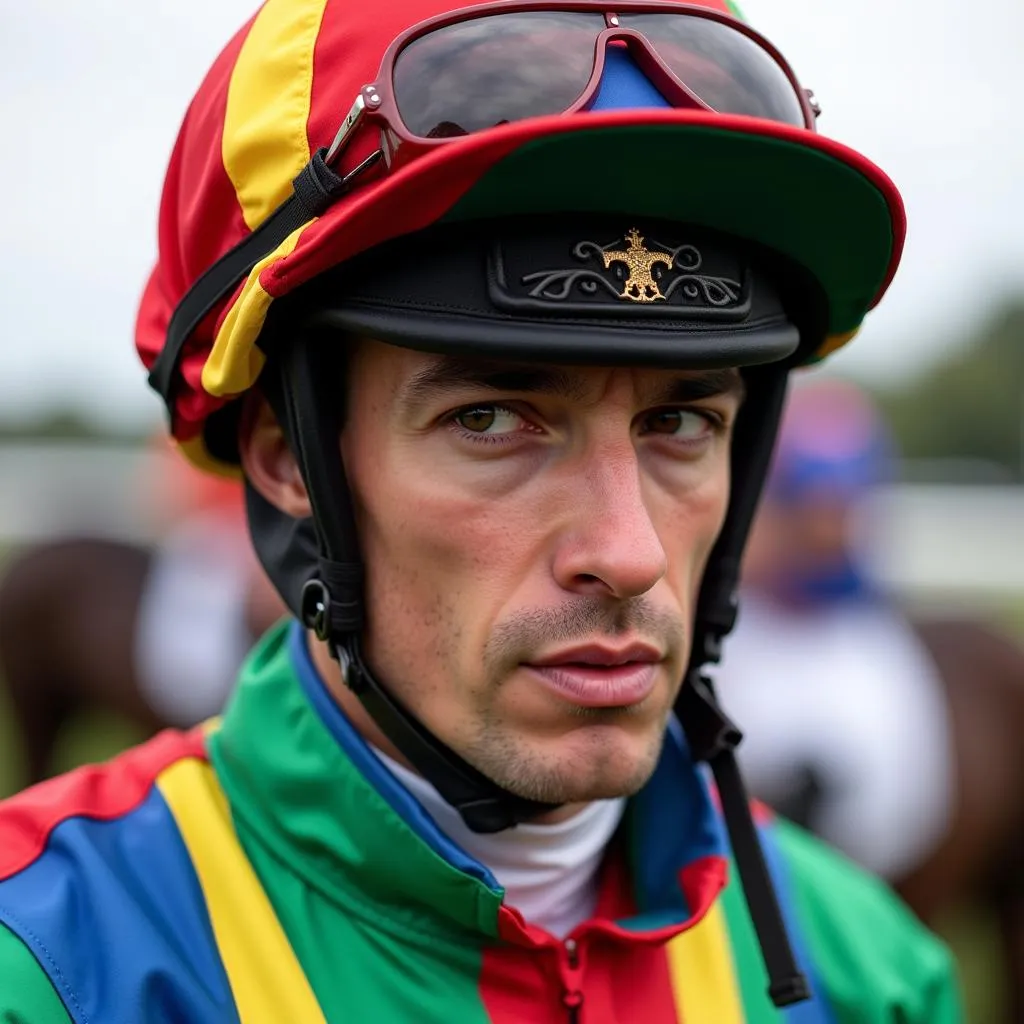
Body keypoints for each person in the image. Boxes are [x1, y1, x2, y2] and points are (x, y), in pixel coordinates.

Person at [0, 2, 961, 1021]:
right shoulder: (41, 966)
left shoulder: (875, 973)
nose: (628, 554)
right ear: (287, 462)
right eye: (492, 418)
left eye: (679, 420)